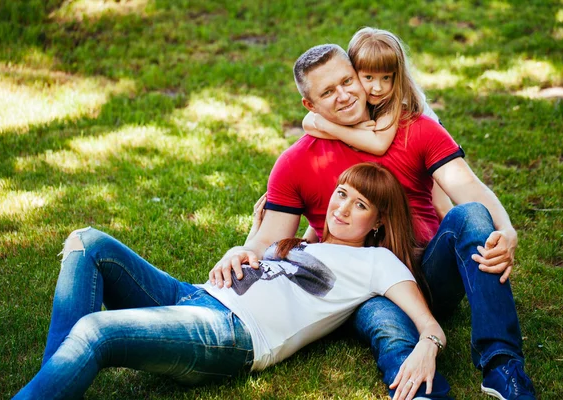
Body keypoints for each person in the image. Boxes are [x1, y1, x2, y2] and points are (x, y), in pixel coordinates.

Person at [210, 30, 535, 400]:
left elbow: (468, 187)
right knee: (387, 326)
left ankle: (502, 365)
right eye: (328, 92)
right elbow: (269, 239)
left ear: (360, 76)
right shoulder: (296, 161)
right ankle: (423, 393)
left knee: (474, 215)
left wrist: (506, 228)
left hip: (429, 272)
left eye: (347, 81)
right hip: (361, 288)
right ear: (309, 106)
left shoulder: (417, 131)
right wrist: (240, 249)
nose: (344, 95)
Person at [13, 163, 445, 400]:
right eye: (341, 193)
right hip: (193, 295)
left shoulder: (377, 262)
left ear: (379, 221)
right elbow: (265, 272)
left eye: (361, 204)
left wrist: (427, 346)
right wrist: (244, 247)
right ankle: (55, 378)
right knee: (89, 243)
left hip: (230, 334)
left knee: (96, 332)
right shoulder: (304, 242)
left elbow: (428, 325)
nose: (343, 208)